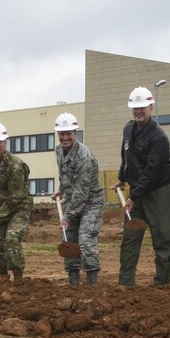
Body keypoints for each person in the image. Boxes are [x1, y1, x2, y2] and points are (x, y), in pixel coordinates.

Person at [114, 86, 170, 287]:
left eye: (142, 107)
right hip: (137, 190)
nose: (138, 111)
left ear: (151, 107)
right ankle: (126, 283)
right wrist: (122, 177)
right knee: (130, 236)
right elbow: (127, 156)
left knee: (162, 237)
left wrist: (133, 196)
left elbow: (151, 173)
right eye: (135, 107)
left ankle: (161, 284)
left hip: (158, 191)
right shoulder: (128, 129)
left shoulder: (159, 137)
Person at [52, 112, 105, 286]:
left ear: (75, 133)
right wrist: (61, 190)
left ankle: (91, 280)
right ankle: (73, 281)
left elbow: (82, 193)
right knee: (69, 239)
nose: (65, 137)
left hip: (90, 202)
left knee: (85, 239)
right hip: (72, 199)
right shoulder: (59, 150)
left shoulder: (84, 157)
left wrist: (66, 216)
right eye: (62, 134)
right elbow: (65, 174)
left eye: (68, 133)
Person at [0, 121, 33, 282]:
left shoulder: (16, 166)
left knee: (11, 239)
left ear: (5, 142)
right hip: (0, 205)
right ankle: (2, 275)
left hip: (19, 207)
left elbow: (16, 198)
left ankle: (18, 276)